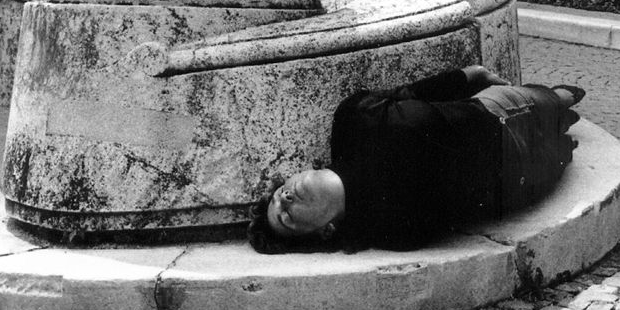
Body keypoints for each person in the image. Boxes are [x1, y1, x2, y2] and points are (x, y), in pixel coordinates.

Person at [248, 65, 584, 253]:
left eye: (279, 196)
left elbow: (410, 93)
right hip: (515, 176)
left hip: (497, 110)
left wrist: (467, 76)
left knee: (561, 99)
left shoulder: (350, 121)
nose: (285, 200)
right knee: (566, 143)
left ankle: (558, 100)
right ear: (325, 231)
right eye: (287, 217)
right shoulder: (391, 231)